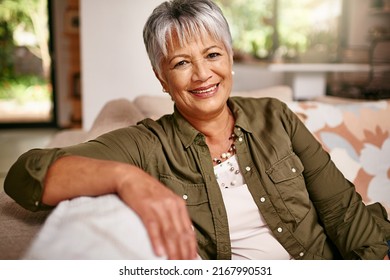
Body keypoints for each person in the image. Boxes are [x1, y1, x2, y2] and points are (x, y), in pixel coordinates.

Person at [4, 0, 390, 260]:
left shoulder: (276, 116)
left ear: (229, 57)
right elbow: (25, 175)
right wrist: (125, 178)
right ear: (162, 78)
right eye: (181, 63)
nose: (203, 74)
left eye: (212, 55)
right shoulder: (148, 144)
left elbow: (342, 213)